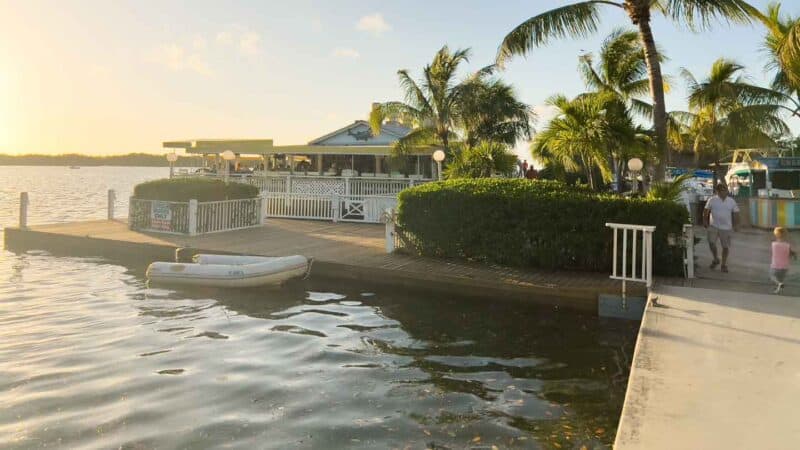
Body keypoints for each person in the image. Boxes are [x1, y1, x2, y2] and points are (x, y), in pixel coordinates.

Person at [703, 183, 739, 273]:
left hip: (726, 227)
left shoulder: (731, 201)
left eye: (724, 190)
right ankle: (716, 258)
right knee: (711, 243)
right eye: (721, 191)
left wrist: (736, 225)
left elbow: (736, 213)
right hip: (713, 225)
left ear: (727, 191)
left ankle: (723, 264)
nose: (723, 192)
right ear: (717, 192)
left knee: (725, 247)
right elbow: (706, 211)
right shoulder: (712, 200)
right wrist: (705, 221)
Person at [770, 227, 796, 294]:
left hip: (775, 265)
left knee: (772, 276)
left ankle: (779, 284)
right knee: (781, 279)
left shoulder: (774, 244)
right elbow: (791, 254)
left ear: (776, 234)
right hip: (785, 267)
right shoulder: (787, 245)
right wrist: (794, 256)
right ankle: (778, 290)